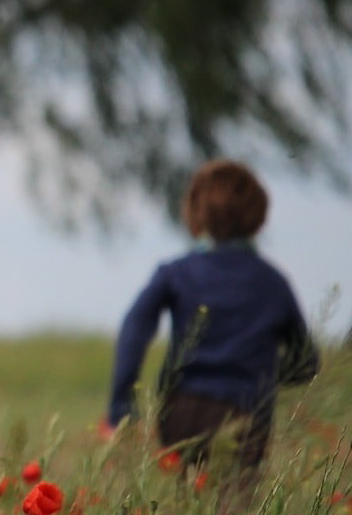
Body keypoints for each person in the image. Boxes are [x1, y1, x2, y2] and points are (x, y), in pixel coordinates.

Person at [105, 159, 319, 476]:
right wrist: (262, 376)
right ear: (258, 217)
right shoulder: (273, 282)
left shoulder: (176, 273)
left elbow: (134, 330)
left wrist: (121, 407)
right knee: (232, 514)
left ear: (195, 212)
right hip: (246, 412)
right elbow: (306, 362)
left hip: (181, 409)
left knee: (186, 505)